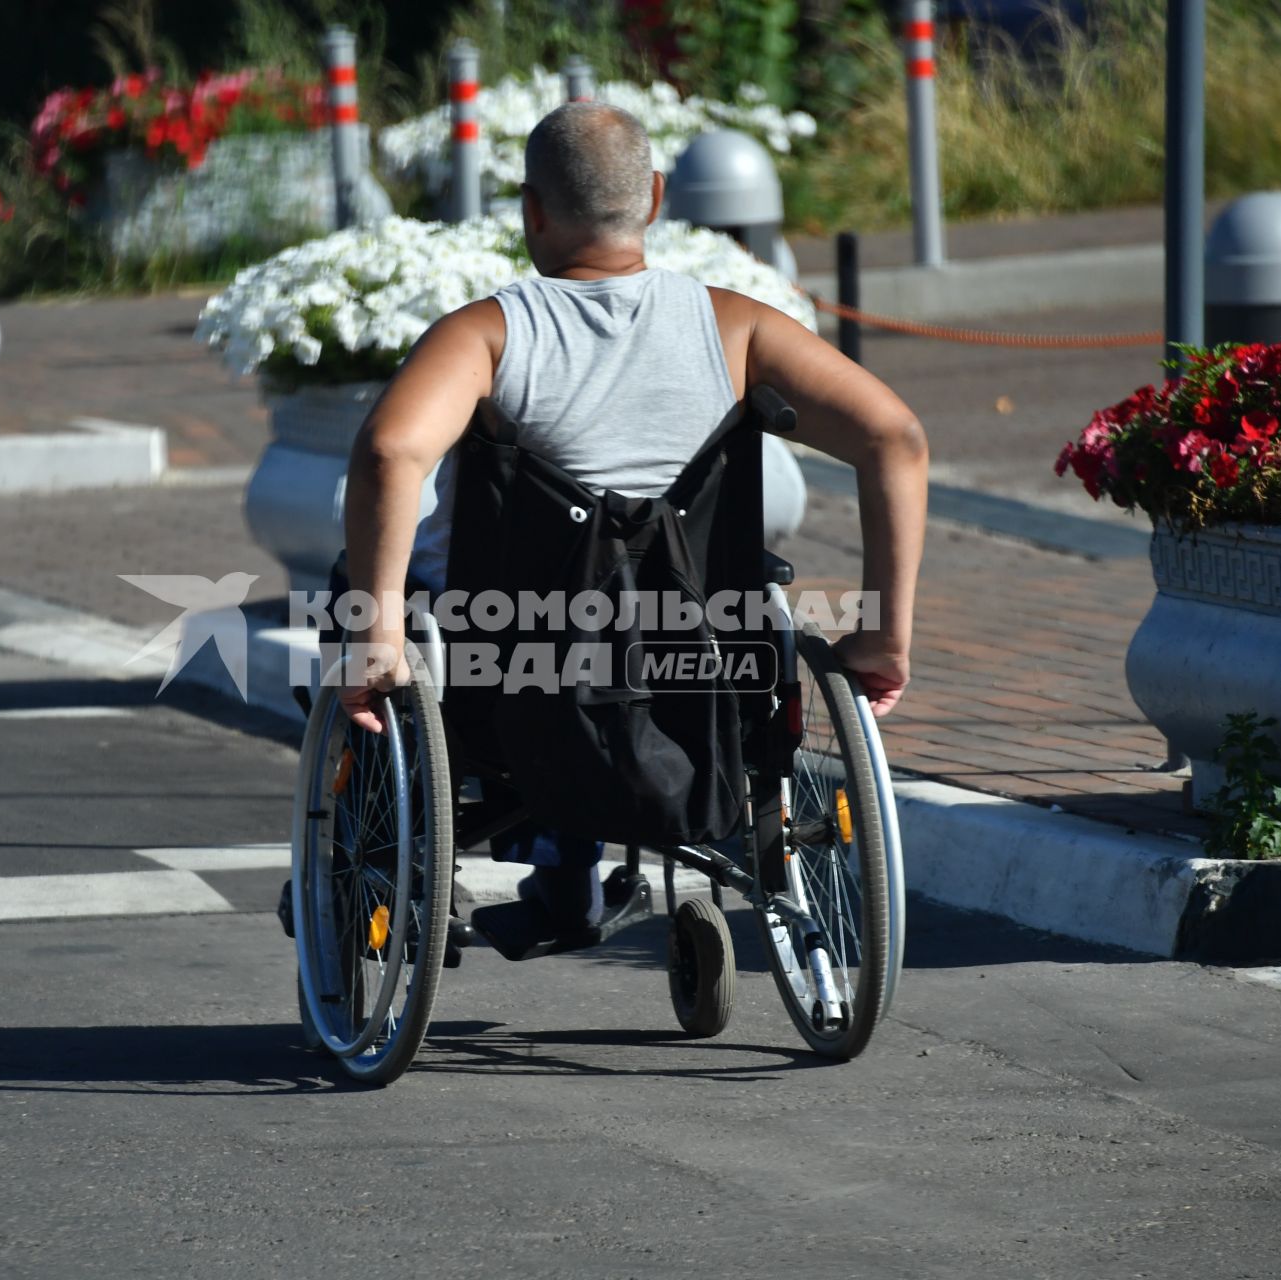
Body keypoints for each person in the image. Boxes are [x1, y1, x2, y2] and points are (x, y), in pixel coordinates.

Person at [336, 102, 928, 936]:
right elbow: (895, 438)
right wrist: (884, 637)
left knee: (353, 593)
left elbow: (389, 454)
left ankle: (374, 867)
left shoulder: (489, 335)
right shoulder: (736, 327)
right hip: (710, 665)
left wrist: (380, 639)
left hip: (507, 672)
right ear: (654, 198)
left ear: (530, 209)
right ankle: (576, 873)